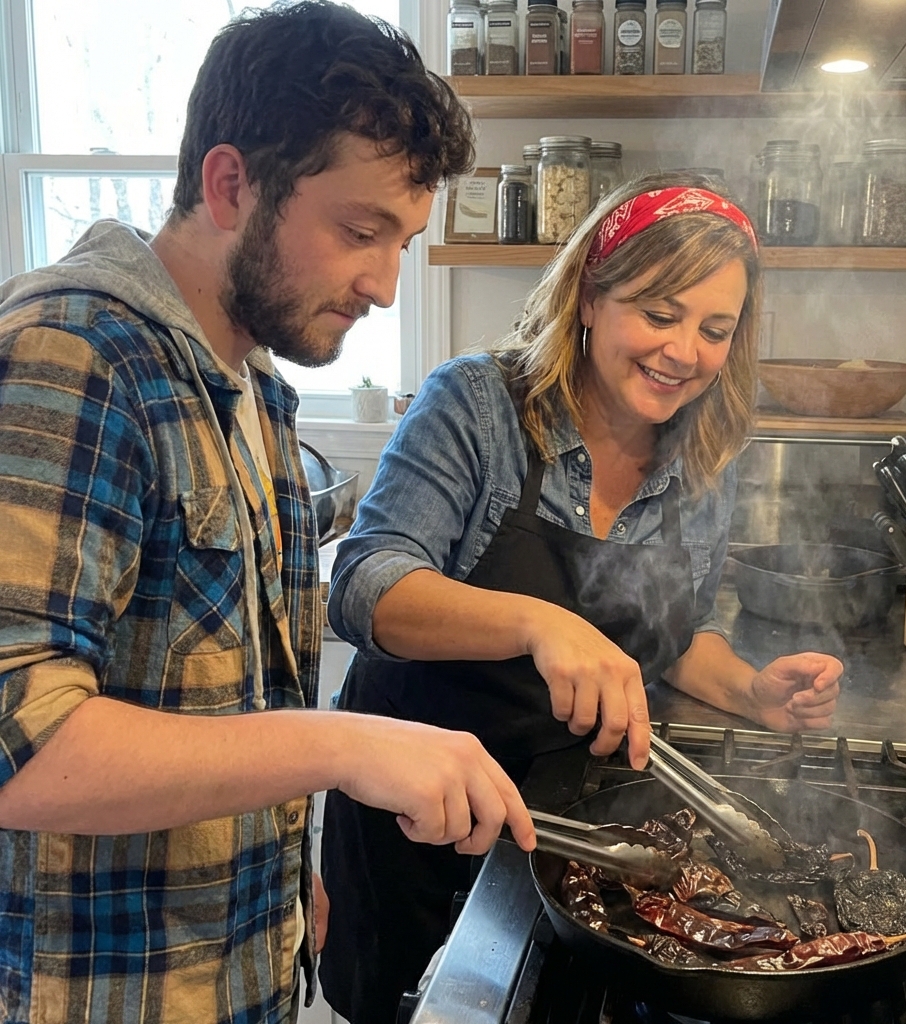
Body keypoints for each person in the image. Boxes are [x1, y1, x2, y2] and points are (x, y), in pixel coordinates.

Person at [0, 5, 535, 1023]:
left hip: (234, 968)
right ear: (230, 182)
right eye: (359, 229)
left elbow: (220, 703)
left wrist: (285, 876)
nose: (382, 283)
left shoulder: (255, 393)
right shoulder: (75, 356)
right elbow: (16, 736)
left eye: (403, 241)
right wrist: (345, 744)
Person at [320, 170, 845, 1022]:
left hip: (585, 827)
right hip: (422, 812)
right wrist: (538, 623)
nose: (686, 353)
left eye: (716, 329)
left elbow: (675, 636)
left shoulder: (704, 454)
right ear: (591, 296)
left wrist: (752, 689)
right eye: (661, 313)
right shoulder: (480, 406)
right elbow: (366, 587)